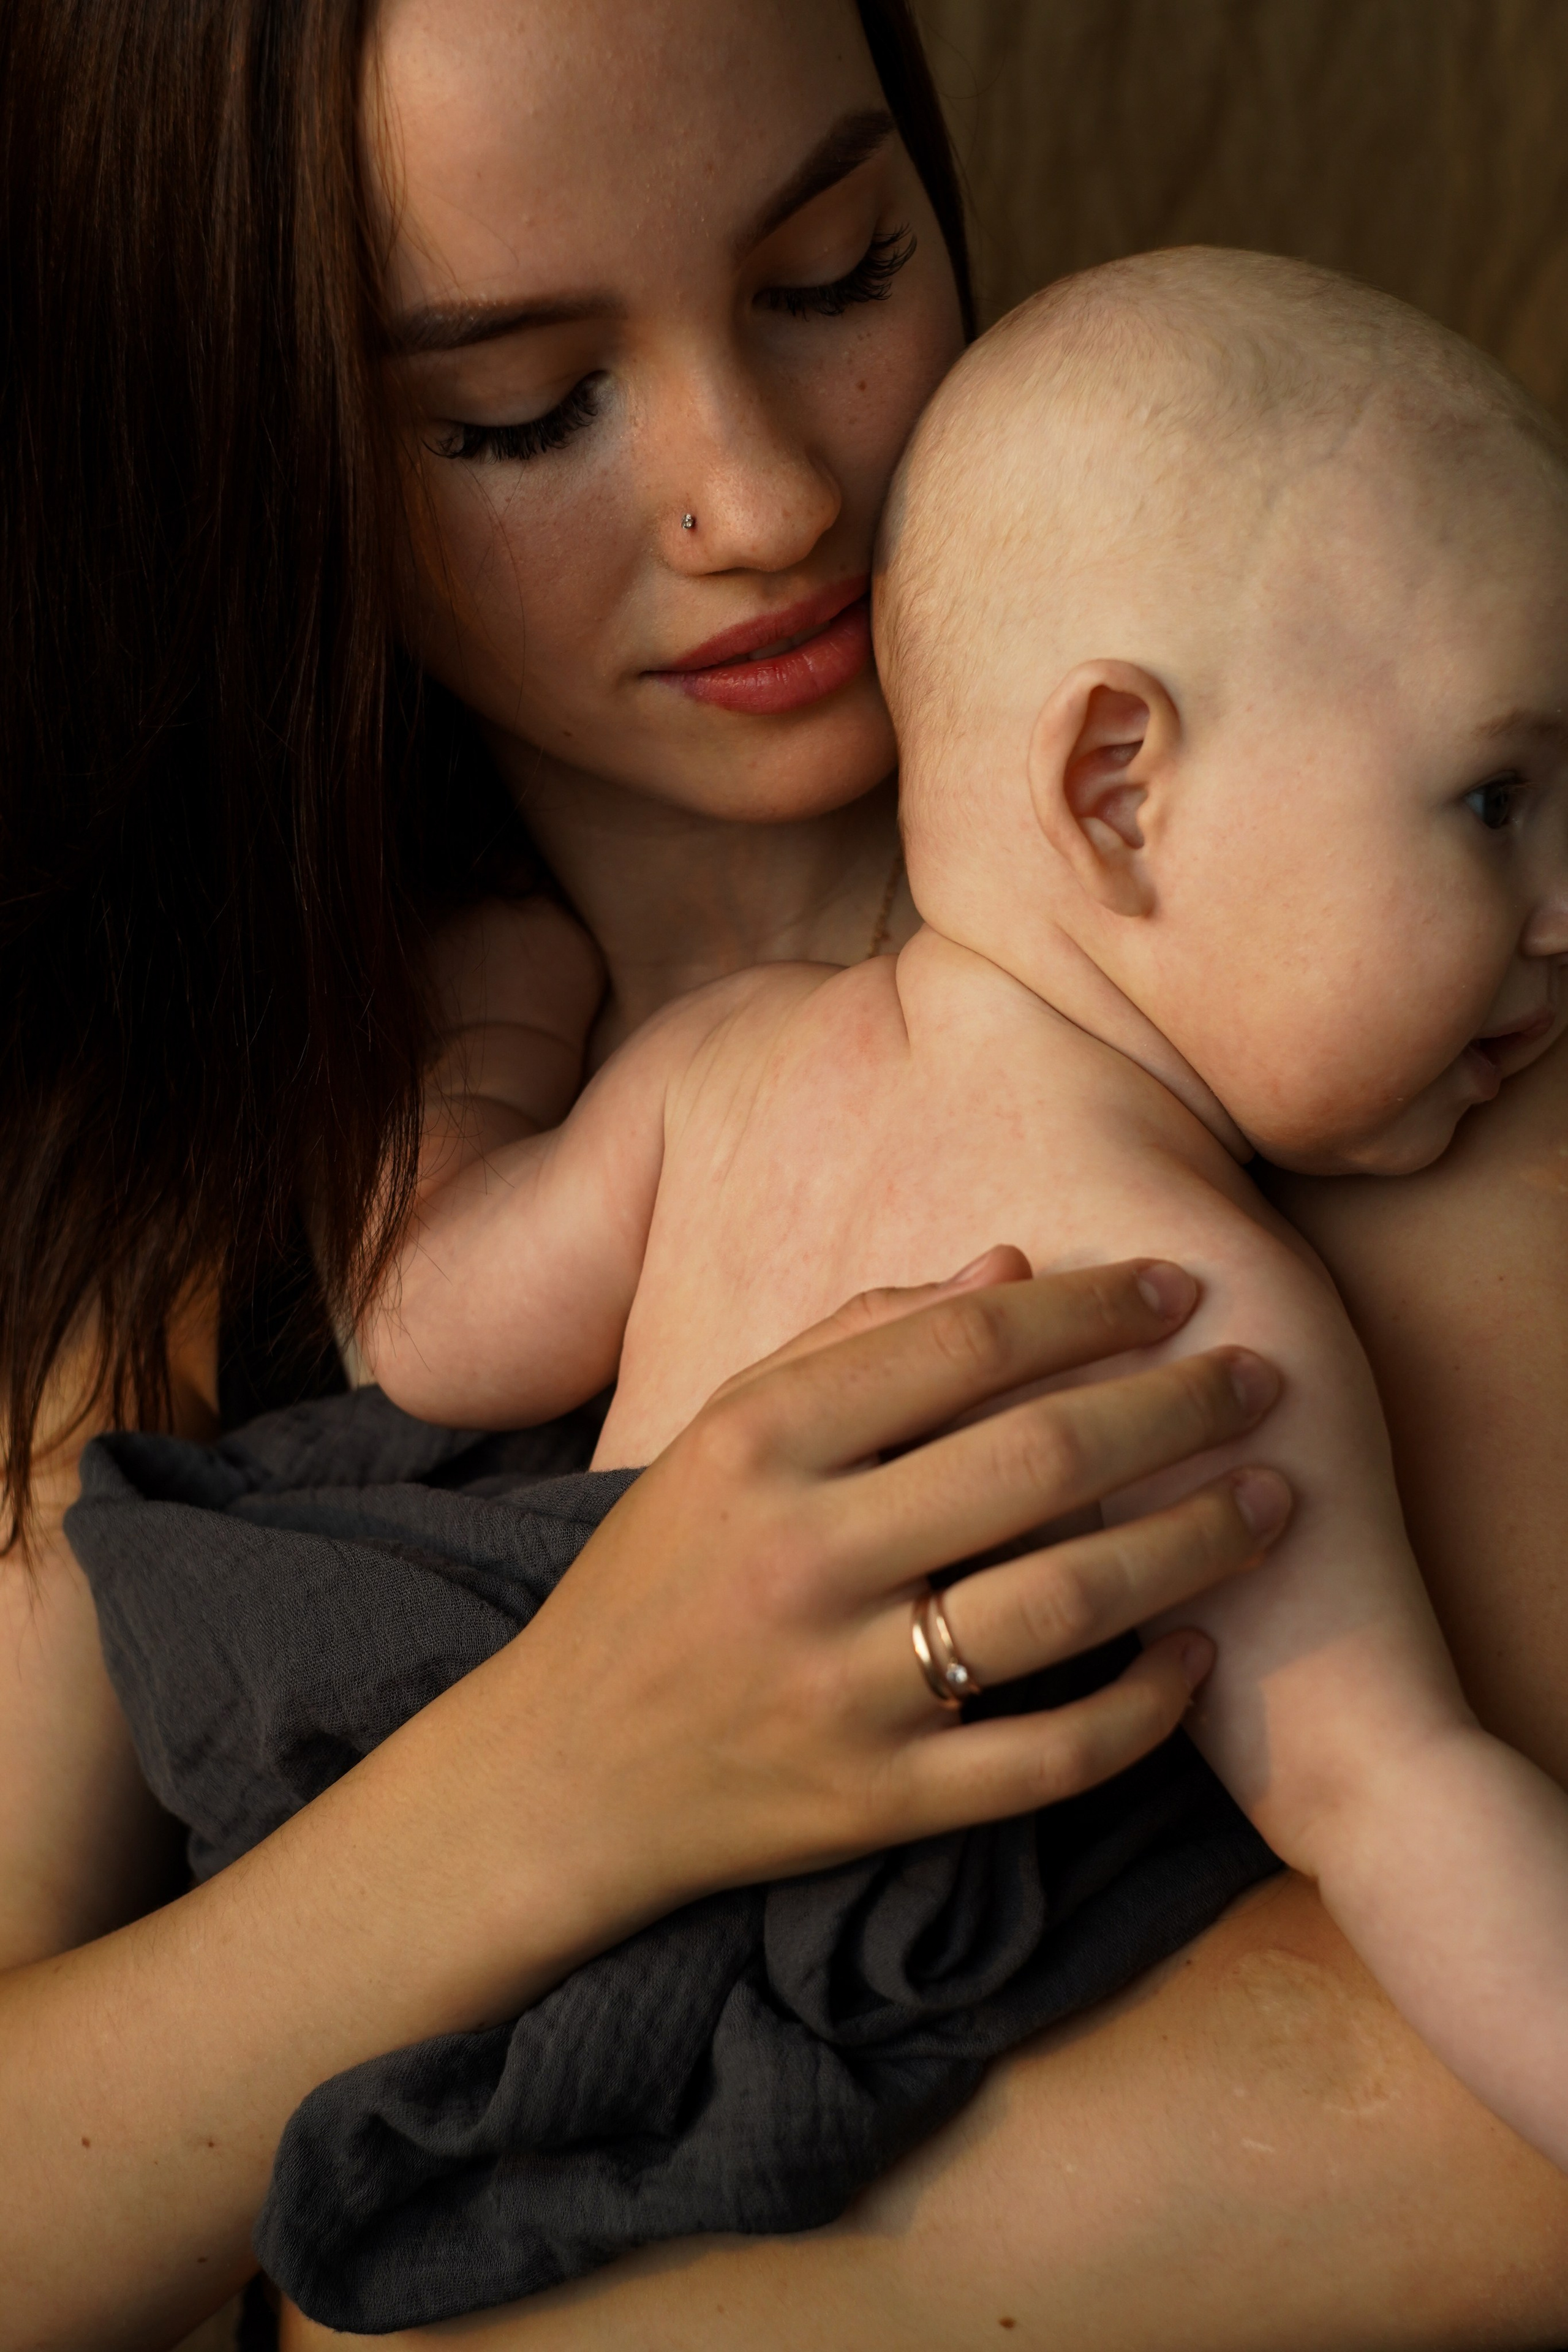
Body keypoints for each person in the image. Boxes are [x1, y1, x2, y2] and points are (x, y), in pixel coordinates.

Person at [1, 6, 1565, 2351]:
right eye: (521, 411)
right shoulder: (201, 1175)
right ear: (274, 445)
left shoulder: (1395, 1016)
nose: (765, 498)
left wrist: (419, 2312)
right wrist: (578, 1769)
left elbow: (1487, 2103)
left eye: (836, 270)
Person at [357, 246, 1568, 2196]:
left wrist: (488, 1044)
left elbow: (416, 1332)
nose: (1566, 910)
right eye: (1497, 802)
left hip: (502, 2018)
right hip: (812, 2054)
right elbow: (1398, 1806)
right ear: (1116, 789)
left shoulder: (713, 1069)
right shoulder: (1186, 1313)